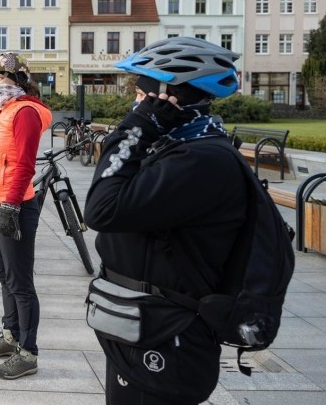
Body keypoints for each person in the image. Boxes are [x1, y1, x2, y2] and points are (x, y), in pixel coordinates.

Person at [84, 37, 245, 404]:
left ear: (165, 97)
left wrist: (135, 127)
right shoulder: (178, 146)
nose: (136, 102)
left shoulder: (199, 160)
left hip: (167, 340)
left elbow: (101, 209)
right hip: (144, 327)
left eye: (141, 94)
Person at [0, 53, 51, 379]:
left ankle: (28, 352)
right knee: (3, 275)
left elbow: (24, 165)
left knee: (20, 282)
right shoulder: (2, 110)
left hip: (13, 205)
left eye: (3, 77)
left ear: (18, 80)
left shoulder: (26, 112)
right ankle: (10, 335)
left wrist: (11, 206)